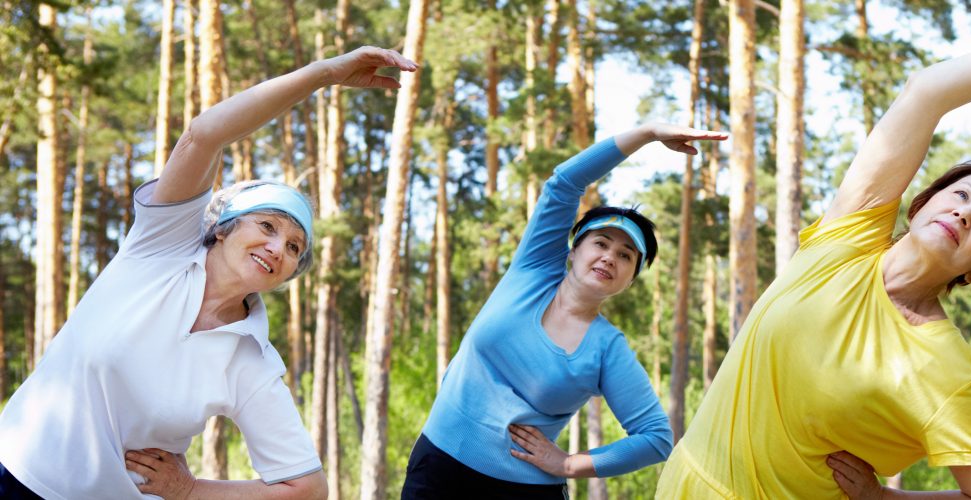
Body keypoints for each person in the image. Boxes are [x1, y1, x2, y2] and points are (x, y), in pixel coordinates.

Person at [655, 5, 971, 499]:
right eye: (962, 195)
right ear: (923, 203)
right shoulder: (847, 240)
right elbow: (925, 91)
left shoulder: (946, 368)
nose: (967, 213)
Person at [0, 46, 417, 499]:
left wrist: (191, 490)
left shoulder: (252, 362)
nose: (278, 247)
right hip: (12, 467)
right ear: (222, 229)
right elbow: (204, 135)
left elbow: (309, 489)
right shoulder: (161, 249)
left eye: (294, 246)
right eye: (268, 226)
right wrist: (322, 74)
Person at [400, 124, 728, 499]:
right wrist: (648, 134)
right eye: (601, 242)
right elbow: (564, 182)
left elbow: (656, 439)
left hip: (524, 489)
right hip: (438, 469)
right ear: (573, 251)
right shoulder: (534, 269)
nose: (609, 256)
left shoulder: (607, 348)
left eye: (626, 256)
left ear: (629, 280)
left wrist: (570, 464)